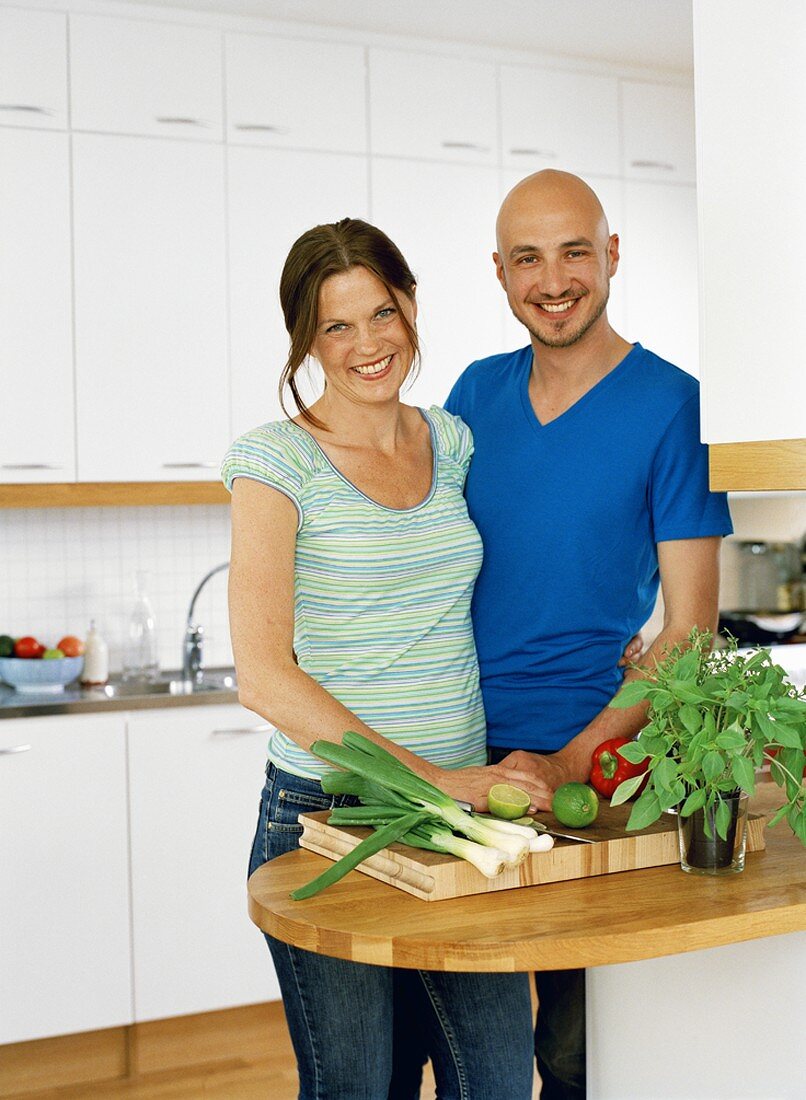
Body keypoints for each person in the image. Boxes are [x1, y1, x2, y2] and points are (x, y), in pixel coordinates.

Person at [222, 217, 550, 1099]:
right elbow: (263, 675)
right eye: (336, 326)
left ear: (410, 305)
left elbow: (515, 568)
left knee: (495, 1078)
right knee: (363, 1085)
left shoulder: (453, 441)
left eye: (381, 312)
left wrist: (621, 627)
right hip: (325, 814)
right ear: (306, 339)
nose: (367, 343)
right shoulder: (274, 462)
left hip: (457, 819)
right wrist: (438, 782)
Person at [443, 170, 734, 1098]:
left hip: (596, 772)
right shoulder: (471, 397)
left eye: (576, 251)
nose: (554, 278)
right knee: (462, 1043)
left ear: (612, 256)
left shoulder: (674, 403)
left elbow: (691, 627)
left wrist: (570, 763)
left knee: (575, 1052)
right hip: (454, 759)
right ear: (499, 271)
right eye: (528, 257)